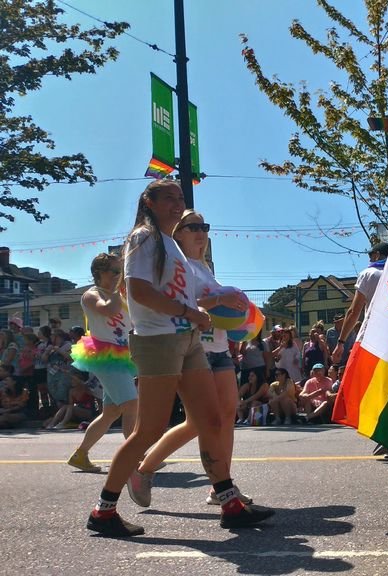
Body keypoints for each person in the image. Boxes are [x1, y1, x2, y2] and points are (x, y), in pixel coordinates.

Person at [85, 181, 271, 537]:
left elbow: (186, 294)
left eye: (180, 198)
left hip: (187, 341)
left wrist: (204, 309)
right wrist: (191, 312)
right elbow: (138, 291)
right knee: (149, 429)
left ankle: (229, 503)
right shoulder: (144, 238)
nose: (176, 203)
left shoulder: (172, 246)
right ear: (149, 202)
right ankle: (104, 510)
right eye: (168, 197)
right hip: (157, 341)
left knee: (211, 420)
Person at [127, 209, 266, 509]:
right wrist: (220, 300)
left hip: (219, 350)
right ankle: (145, 469)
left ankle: (221, 488)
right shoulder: (177, 265)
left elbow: (216, 311)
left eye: (204, 226)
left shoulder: (204, 268)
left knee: (226, 417)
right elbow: (179, 305)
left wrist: (241, 317)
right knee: (199, 423)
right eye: (192, 226)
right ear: (177, 232)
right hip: (193, 351)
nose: (201, 232)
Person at [66, 253, 139, 473]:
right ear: (99, 273)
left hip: (122, 356)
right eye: (115, 271)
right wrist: (119, 289)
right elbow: (108, 309)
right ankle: (134, 458)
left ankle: (80, 455)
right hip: (104, 356)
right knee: (131, 405)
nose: (119, 275)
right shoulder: (91, 294)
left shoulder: (121, 297)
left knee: (111, 412)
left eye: (121, 271)